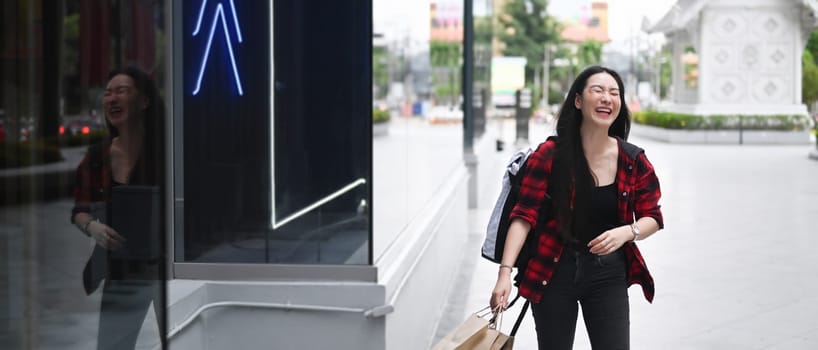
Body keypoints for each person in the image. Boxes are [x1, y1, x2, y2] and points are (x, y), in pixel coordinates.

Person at [489, 65, 664, 349]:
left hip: (608, 274)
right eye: (598, 90)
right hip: (553, 270)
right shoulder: (549, 155)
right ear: (579, 101)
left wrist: (626, 232)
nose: (607, 98)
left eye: (614, 92)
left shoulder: (633, 160)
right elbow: (524, 215)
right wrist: (504, 273)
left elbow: (652, 217)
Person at [71, 66, 166, 349]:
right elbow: (79, 209)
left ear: (145, 101)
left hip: (166, 269)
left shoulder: (167, 151)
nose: (111, 98)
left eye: (121, 91)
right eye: (107, 93)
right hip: (121, 270)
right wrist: (92, 227)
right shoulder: (97, 156)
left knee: (185, 341)